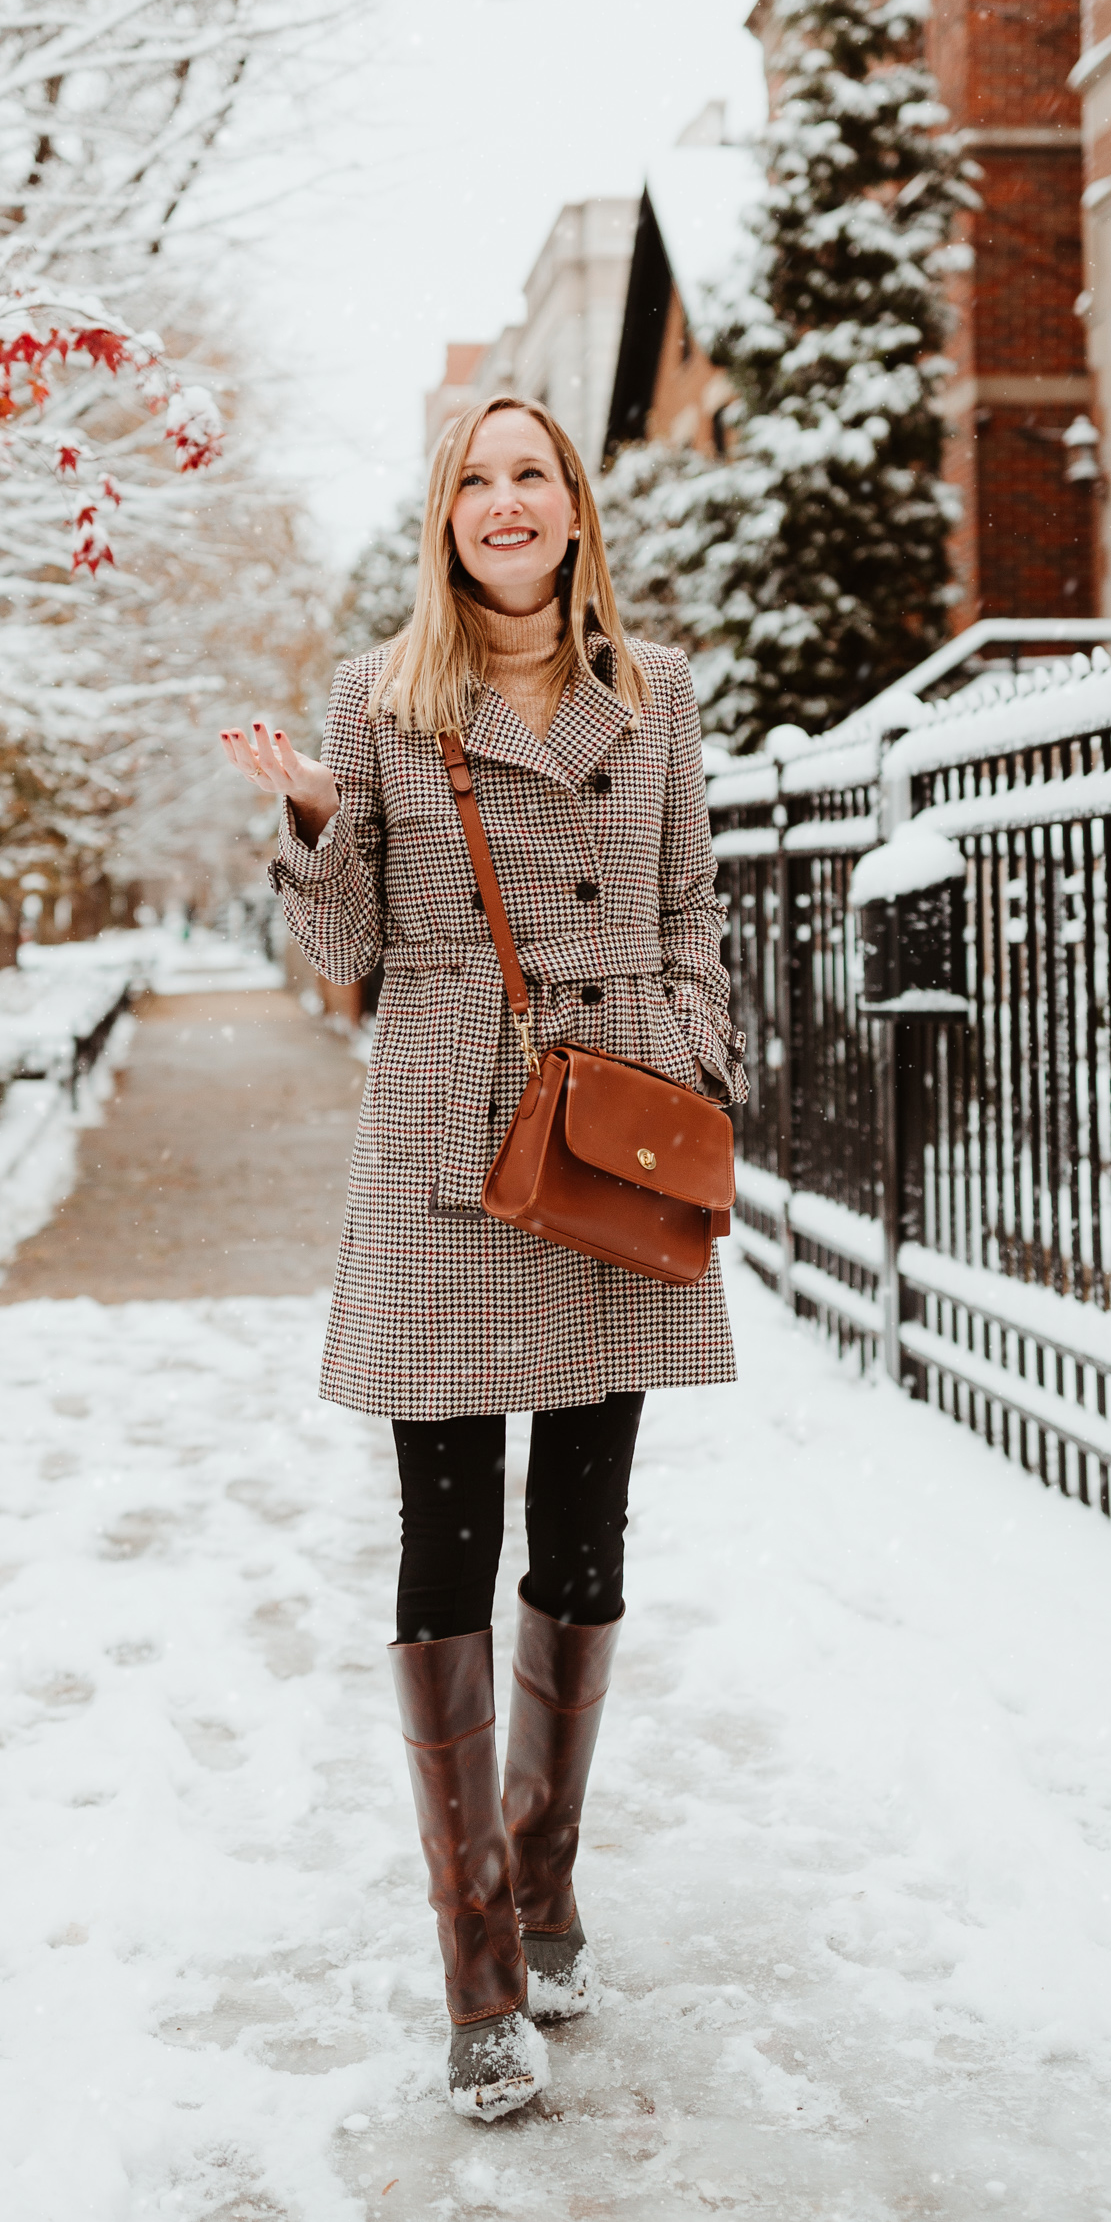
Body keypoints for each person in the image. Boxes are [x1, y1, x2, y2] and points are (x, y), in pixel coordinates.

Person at [219, 394, 745, 2121]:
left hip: (613, 1147)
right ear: (441, 519)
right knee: (446, 1547)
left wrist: (696, 1073)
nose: (504, 505)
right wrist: (311, 815)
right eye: (473, 482)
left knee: (582, 1544)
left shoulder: (656, 696)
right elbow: (348, 954)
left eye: (531, 476)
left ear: (575, 506)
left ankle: (544, 1876)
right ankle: (478, 1968)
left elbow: (688, 913)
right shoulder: (390, 703)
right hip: (454, 1146)